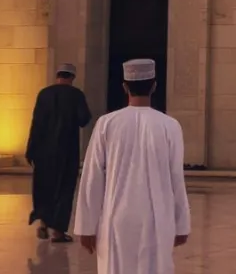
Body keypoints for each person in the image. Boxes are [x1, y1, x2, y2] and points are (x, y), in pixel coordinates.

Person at [74, 58, 191, 274]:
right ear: (154, 86)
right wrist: (181, 224)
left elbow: (92, 177)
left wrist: (86, 226)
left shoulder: (106, 123)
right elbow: (176, 178)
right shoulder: (170, 126)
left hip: (116, 217)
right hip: (158, 219)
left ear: (125, 87)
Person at [25, 62, 92, 243]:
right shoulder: (76, 95)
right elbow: (84, 119)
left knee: (45, 187)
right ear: (71, 77)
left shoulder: (44, 94)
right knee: (64, 189)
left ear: (57, 75)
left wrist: (30, 149)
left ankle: (44, 223)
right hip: (66, 151)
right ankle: (59, 232)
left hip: (43, 151)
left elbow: (36, 122)